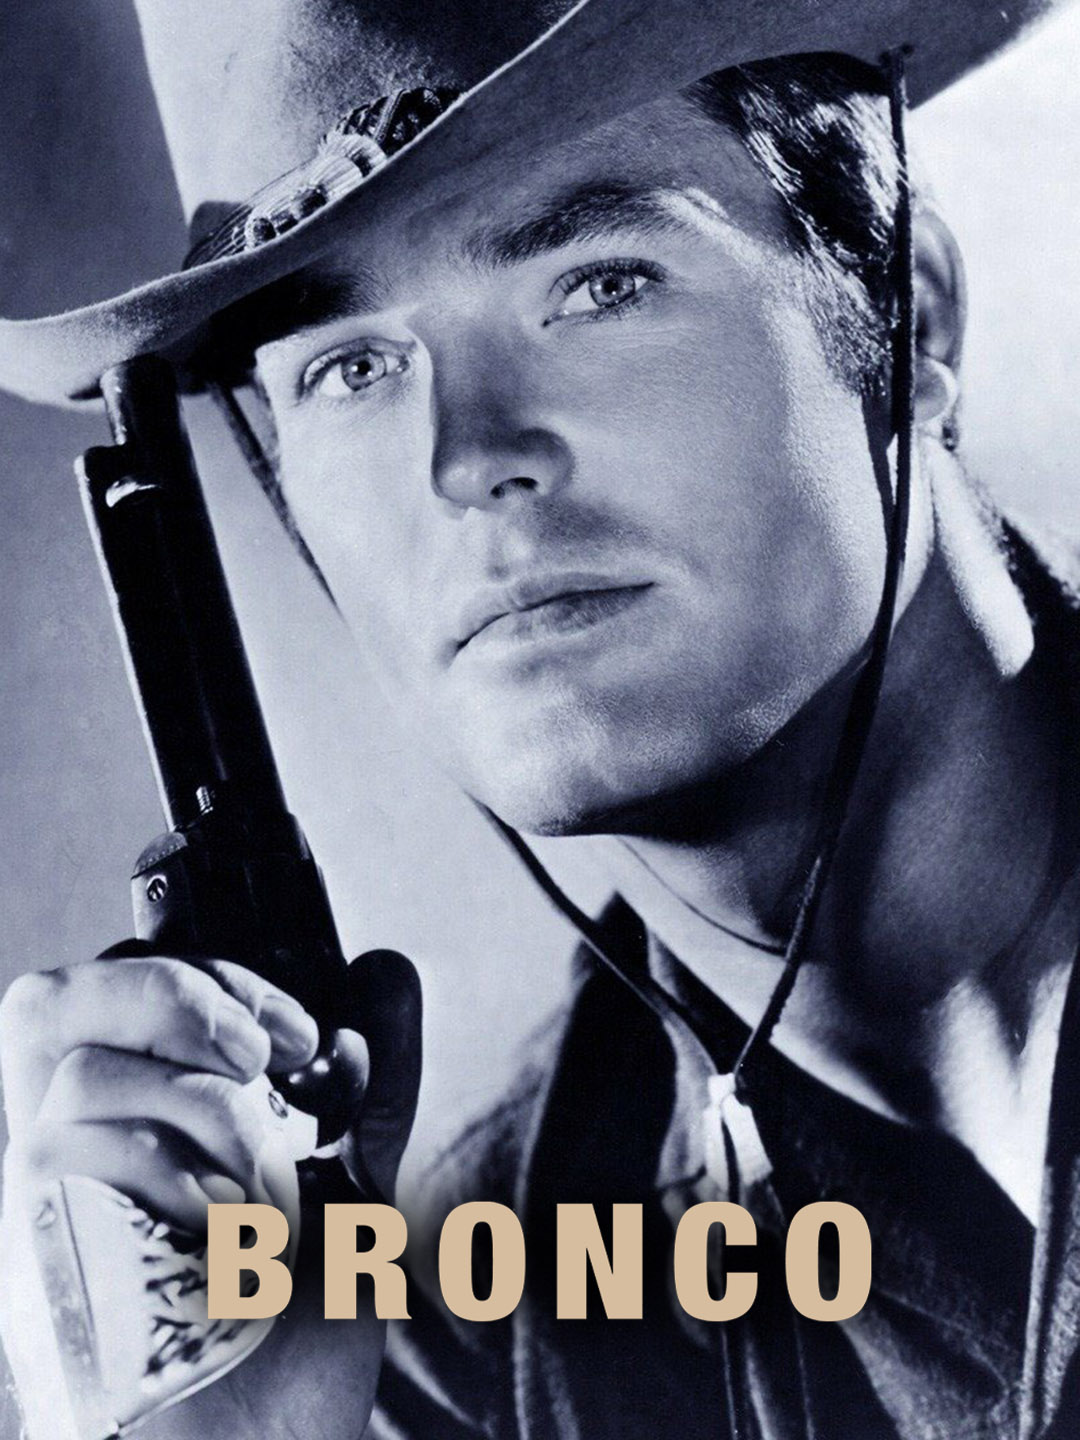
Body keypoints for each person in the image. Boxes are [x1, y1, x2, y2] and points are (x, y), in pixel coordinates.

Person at [0, 1, 1076, 1437]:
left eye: (598, 283)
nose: (466, 458)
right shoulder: (500, 1335)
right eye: (351, 368)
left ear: (908, 313)